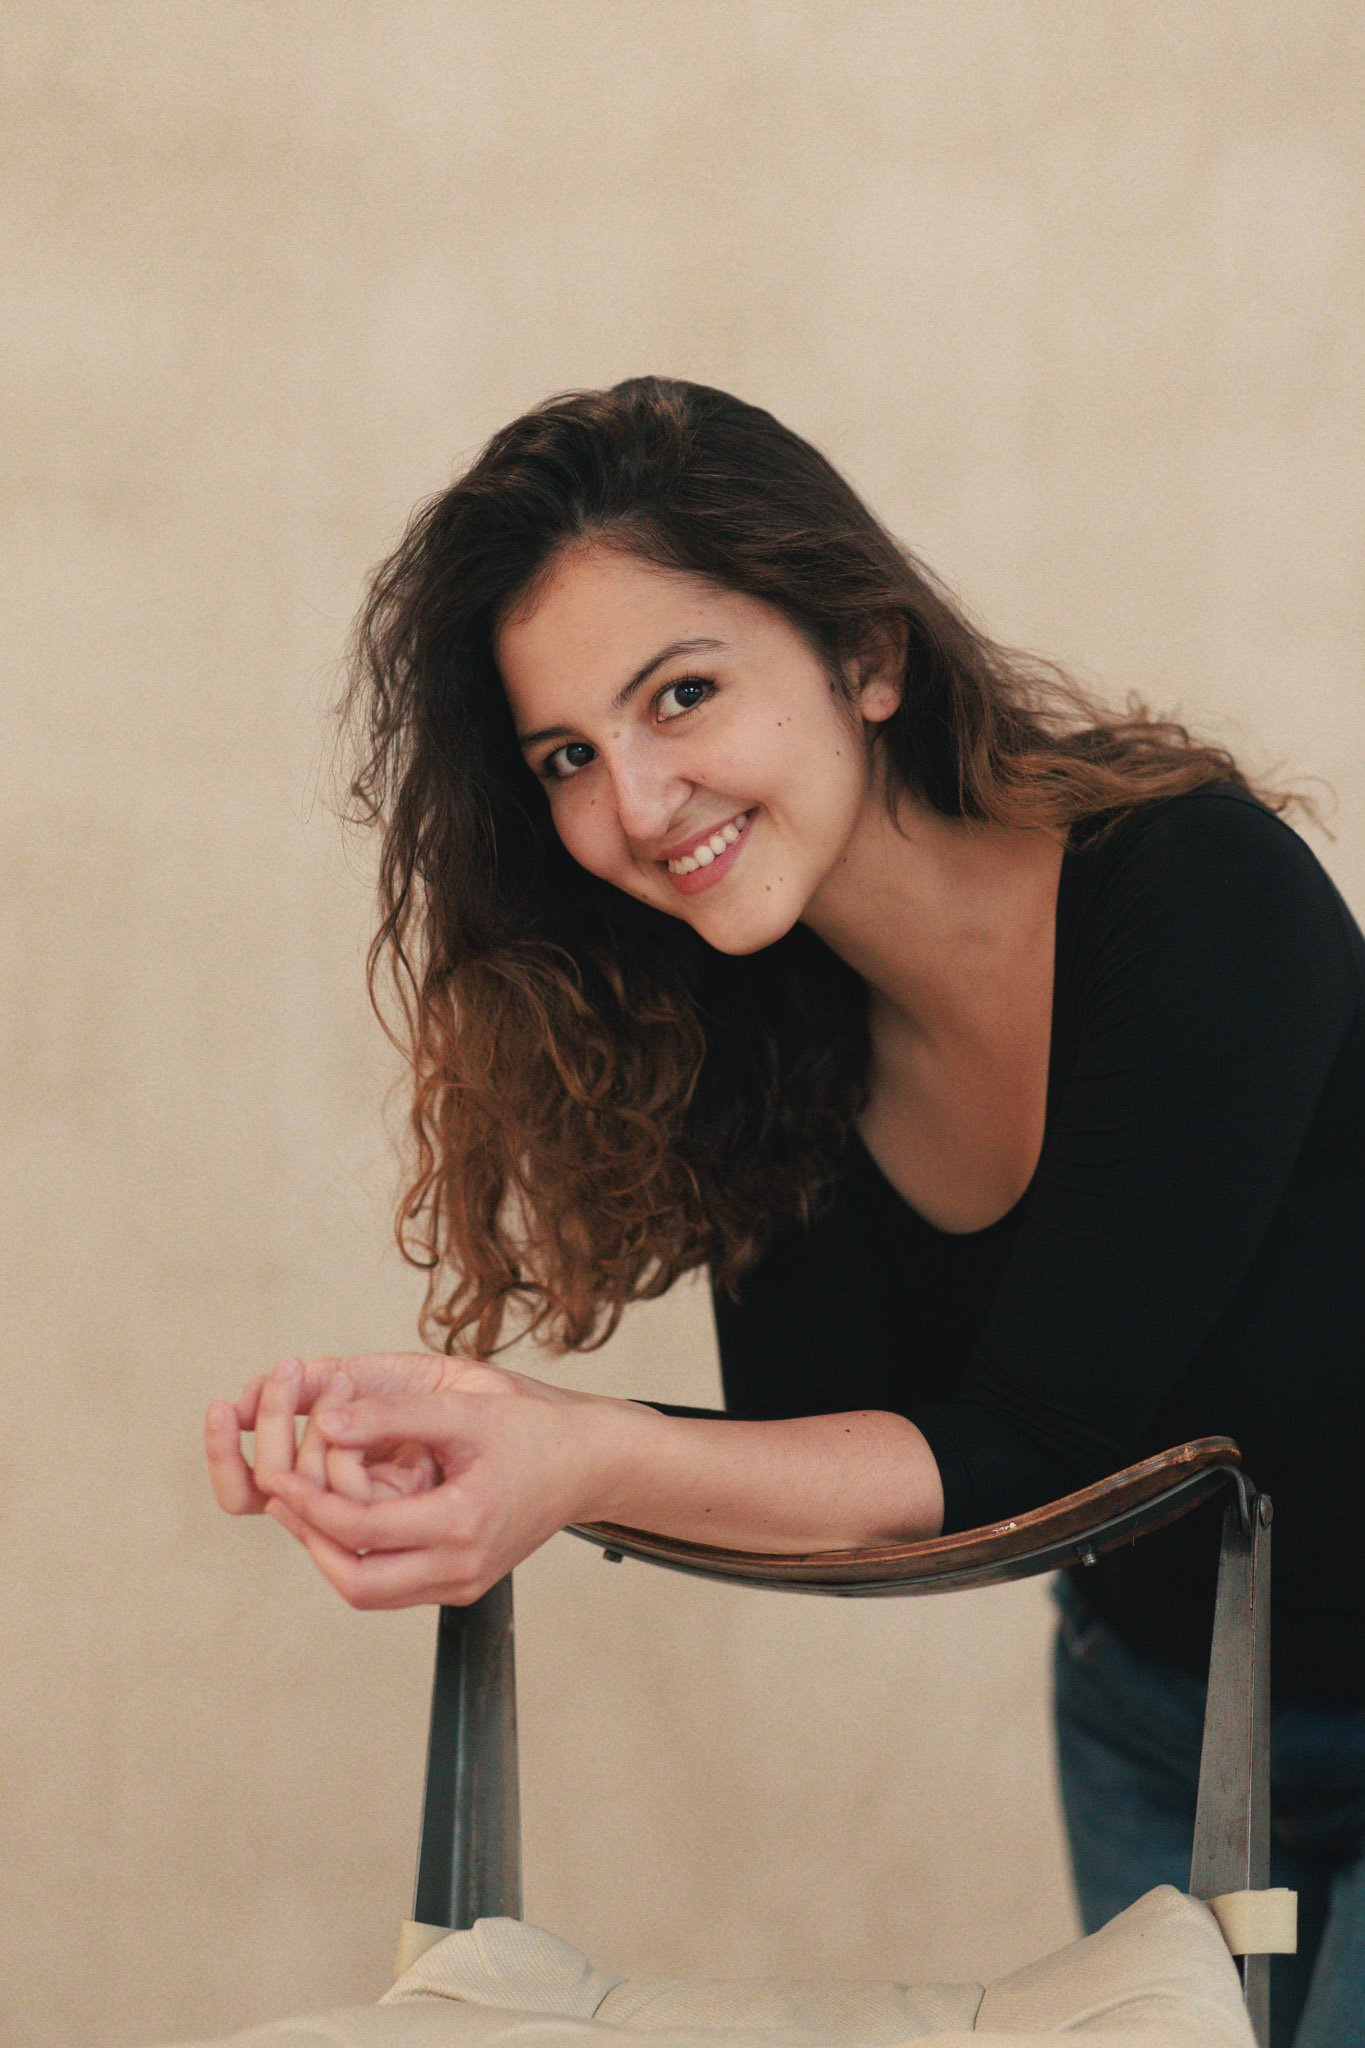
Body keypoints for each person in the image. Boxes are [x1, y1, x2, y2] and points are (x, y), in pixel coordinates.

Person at [204, 378, 1365, 2047]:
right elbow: (843, 1463)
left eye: (680, 695)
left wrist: (579, 1450)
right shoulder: (769, 1029)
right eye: (566, 757)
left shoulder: (1193, 890)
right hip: (1159, 1710)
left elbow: (1038, 1435)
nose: (636, 800)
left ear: (868, 656)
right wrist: (469, 1428)